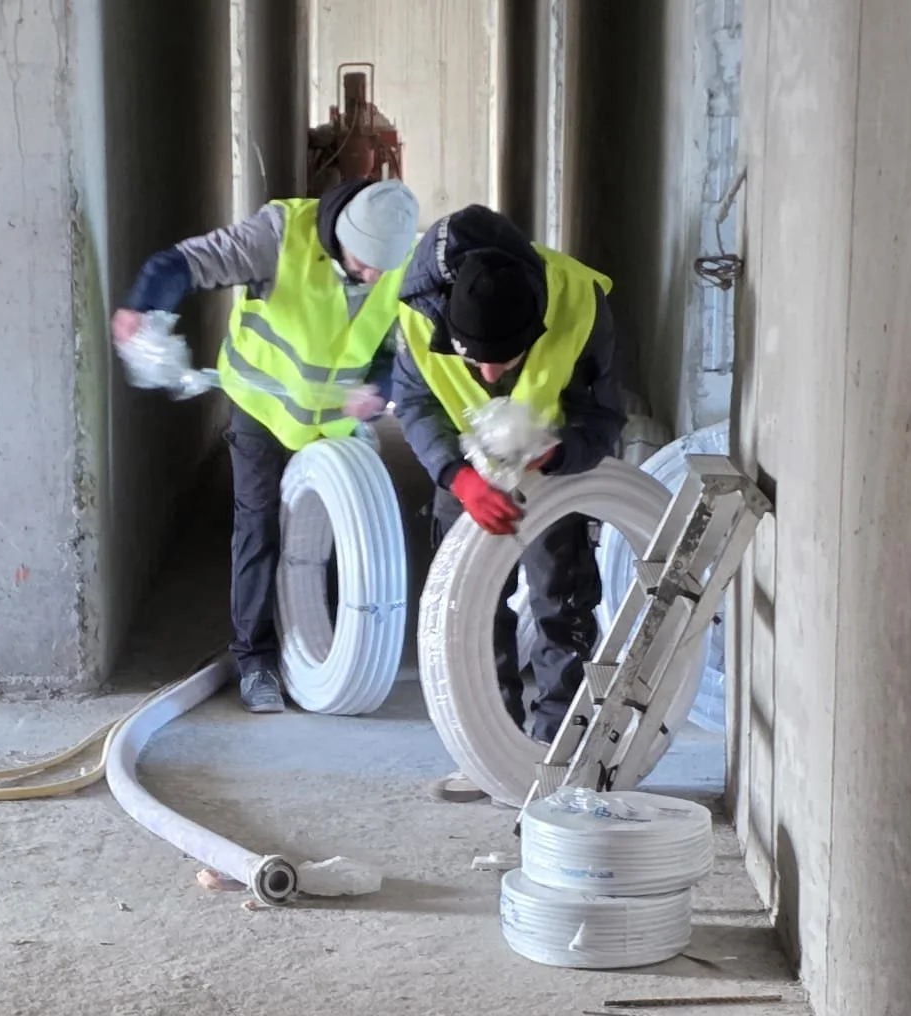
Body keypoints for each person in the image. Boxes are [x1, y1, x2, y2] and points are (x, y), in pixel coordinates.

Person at [112, 177, 420, 712]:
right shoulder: (281, 234)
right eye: (363, 261)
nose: (372, 274)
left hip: (331, 424)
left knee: (334, 533)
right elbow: (185, 263)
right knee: (258, 526)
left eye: (382, 267)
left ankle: (322, 653)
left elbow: (402, 347)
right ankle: (255, 658)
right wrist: (144, 308)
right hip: (259, 407)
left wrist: (380, 386)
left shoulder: (401, 265)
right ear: (339, 233)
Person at [387, 205, 626, 761]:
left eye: (506, 361)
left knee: (559, 598)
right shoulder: (418, 313)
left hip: (547, 475)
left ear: (535, 324)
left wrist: (562, 453)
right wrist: (456, 476)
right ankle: (489, 745)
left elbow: (603, 416)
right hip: (466, 471)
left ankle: (561, 741)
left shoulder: (579, 302)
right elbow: (417, 402)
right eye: (475, 361)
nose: (489, 378)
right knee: (469, 603)